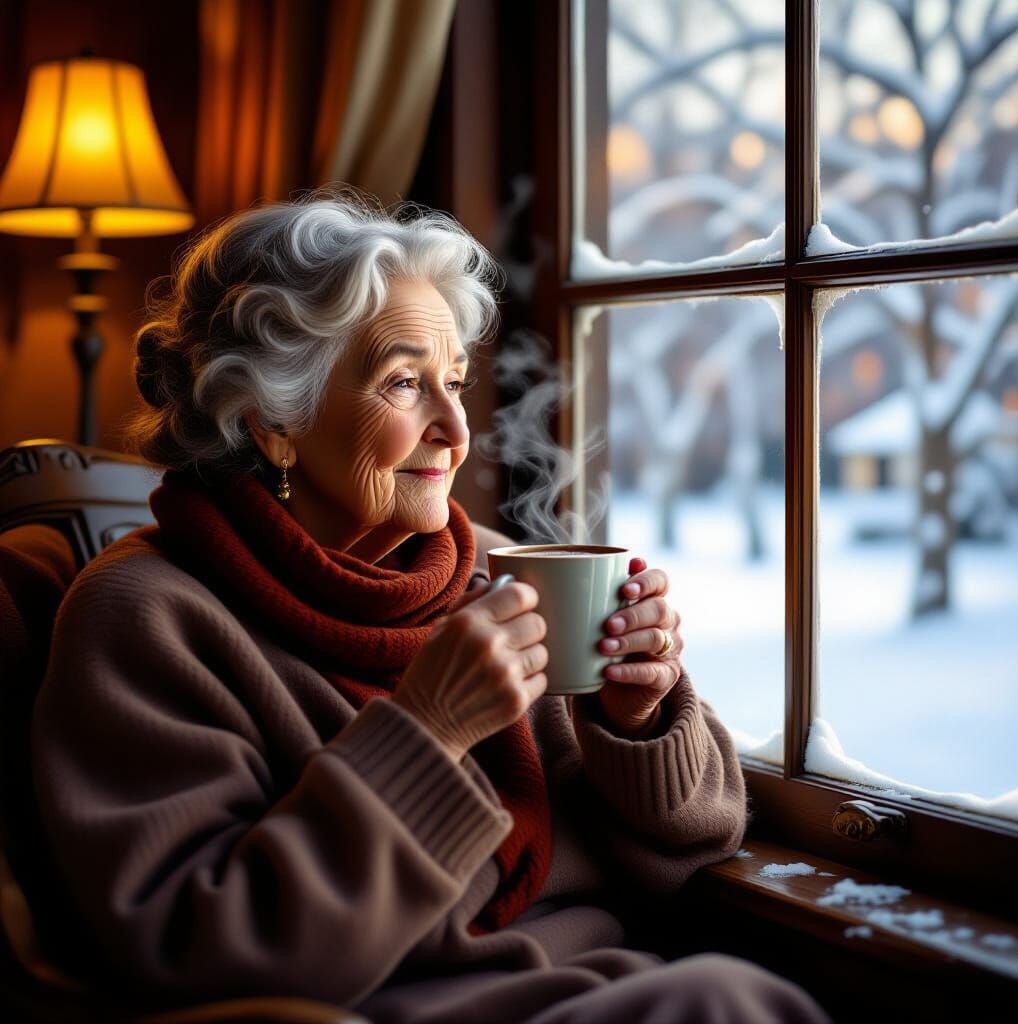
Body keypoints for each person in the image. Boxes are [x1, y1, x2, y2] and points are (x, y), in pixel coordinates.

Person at [30, 193, 831, 1023]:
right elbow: (203, 953)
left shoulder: (488, 566)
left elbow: (696, 847)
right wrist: (430, 731)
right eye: (404, 382)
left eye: (454, 381)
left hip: (606, 976)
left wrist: (635, 719)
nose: (456, 427)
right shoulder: (145, 615)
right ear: (273, 417)